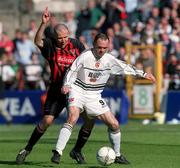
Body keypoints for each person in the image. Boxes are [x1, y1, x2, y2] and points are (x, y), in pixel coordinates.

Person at [51, 33, 156, 165]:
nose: (101, 50)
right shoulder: (85, 56)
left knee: (114, 124)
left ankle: (117, 155)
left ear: (108, 47)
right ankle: (57, 151)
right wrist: (66, 84)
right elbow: (72, 70)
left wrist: (144, 74)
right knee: (73, 117)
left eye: (104, 48)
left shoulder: (109, 60)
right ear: (94, 45)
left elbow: (125, 67)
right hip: (78, 91)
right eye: (99, 47)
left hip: (94, 96)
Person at [16, 7, 95, 164]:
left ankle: (77, 150)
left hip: (75, 90)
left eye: (66, 37)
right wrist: (43, 24)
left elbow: (88, 59)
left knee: (89, 120)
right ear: (54, 37)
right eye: (60, 38)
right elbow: (37, 41)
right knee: (47, 121)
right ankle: (27, 148)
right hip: (56, 89)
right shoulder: (51, 45)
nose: (64, 40)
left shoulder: (76, 45)